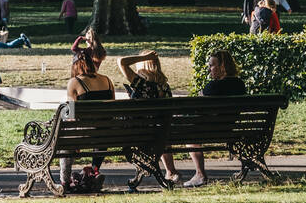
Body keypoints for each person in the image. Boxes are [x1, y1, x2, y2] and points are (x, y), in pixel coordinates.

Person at [185, 50, 248, 187]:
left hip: (209, 131)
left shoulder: (213, 86)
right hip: (231, 130)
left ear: (222, 66)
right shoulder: (240, 84)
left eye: (212, 65)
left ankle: (200, 175)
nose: (209, 69)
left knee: (190, 138)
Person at [117, 50, 181, 185]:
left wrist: (144, 57)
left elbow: (121, 62)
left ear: (143, 65)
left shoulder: (141, 83)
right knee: (161, 131)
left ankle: (147, 169)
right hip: (161, 134)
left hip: (140, 134)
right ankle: (170, 170)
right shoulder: (164, 86)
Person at [60, 52, 115, 192]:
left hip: (84, 134)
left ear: (75, 66)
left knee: (65, 142)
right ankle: (93, 171)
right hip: (107, 135)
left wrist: (76, 141)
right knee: (101, 132)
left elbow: (71, 116)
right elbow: (111, 111)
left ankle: (65, 182)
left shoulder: (74, 82)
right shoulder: (107, 81)